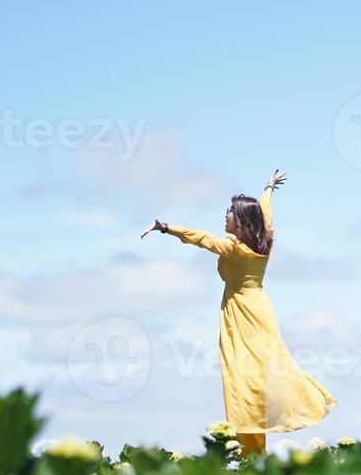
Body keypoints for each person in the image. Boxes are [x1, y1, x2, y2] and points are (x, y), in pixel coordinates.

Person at [142, 170, 335, 457]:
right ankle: (255, 448)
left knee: (241, 379)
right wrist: (268, 188)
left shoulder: (233, 248)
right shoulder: (264, 238)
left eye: (230, 213)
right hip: (260, 309)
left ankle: (249, 453)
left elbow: (203, 239)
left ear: (241, 221)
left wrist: (168, 228)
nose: (225, 216)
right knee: (262, 373)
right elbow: (266, 212)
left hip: (240, 314)